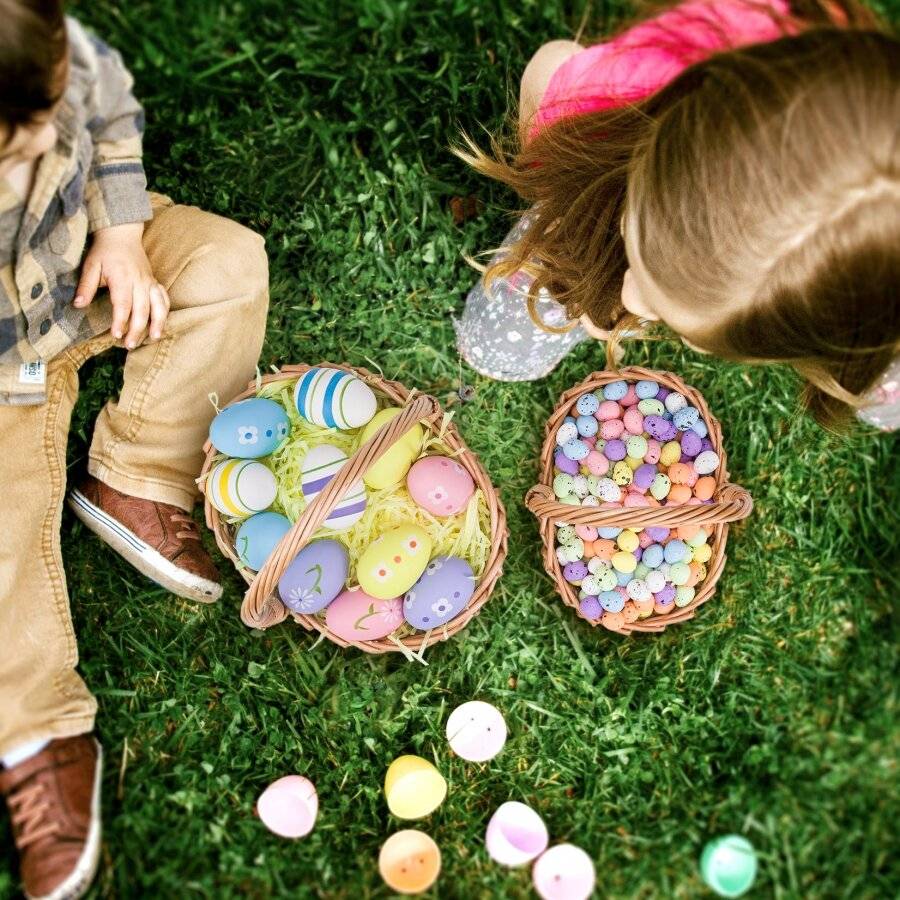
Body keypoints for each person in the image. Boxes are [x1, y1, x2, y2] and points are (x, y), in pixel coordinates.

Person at [0, 2, 269, 896]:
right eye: (13, 151)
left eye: (44, 121)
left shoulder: (45, 52)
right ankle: (35, 731)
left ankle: (137, 473)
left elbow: (107, 107)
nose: (40, 145)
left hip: (85, 272)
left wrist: (121, 231)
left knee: (229, 270)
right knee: (2, 545)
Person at [455, 0, 899, 430]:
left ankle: (874, 360)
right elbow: (552, 63)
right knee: (501, 342)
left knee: (877, 359)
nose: (630, 301)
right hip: (603, 180)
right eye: (635, 237)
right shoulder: (614, 96)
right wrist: (560, 177)